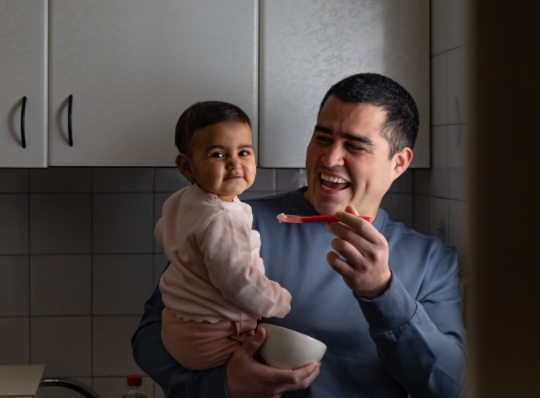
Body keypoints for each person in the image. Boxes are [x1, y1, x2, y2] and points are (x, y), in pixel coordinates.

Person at [132, 73, 466, 397]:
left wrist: (382, 293)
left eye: (355, 146)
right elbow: (150, 337)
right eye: (322, 139)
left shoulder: (432, 263)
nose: (330, 158)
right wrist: (223, 387)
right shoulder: (232, 223)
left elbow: (447, 386)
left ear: (399, 163)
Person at [157, 101, 291, 371]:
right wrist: (279, 301)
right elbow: (240, 283)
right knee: (275, 373)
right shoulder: (223, 219)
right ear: (186, 166)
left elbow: (163, 234)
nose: (234, 164)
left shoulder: (181, 200)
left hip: (176, 325)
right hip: (215, 337)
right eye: (218, 155)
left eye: (243, 152)